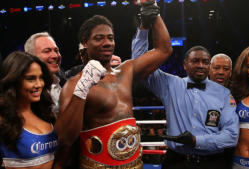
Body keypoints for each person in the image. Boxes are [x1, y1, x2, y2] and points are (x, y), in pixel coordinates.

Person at [54, 2, 171, 169]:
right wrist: (83, 88)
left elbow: (164, 50)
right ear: (85, 42)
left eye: (110, 37)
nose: (107, 42)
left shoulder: (126, 71)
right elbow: (65, 138)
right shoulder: (74, 84)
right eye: (99, 38)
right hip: (96, 165)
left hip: (134, 163)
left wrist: (154, 13)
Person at [132, 42, 239, 168]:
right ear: (184, 64)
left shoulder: (224, 94)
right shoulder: (170, 84)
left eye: (205, 62)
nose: (200, 65)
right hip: (176, 161)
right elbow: (140, 64)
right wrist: (143, 29)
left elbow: (231, 135)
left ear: (209, 66)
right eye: (194, 61)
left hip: (212, 162)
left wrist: (195, 141)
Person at [0, 51, 57, 168]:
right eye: (31, 79)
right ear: (14, 80)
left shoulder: (47, 114)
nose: (39, 84)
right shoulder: (3, 119)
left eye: (41, 78)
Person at [24, 32, 67, 114]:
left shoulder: (64, 82)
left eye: (56, 50)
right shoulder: (23, 91)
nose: (55, 55)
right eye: (47, 51)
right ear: (30, 56)